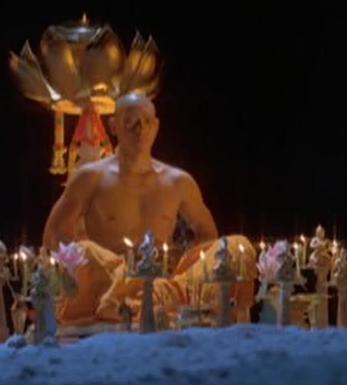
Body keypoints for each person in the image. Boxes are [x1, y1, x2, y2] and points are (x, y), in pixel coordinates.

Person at [42, 92, 256, 327]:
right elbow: (54, 235)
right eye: (130, 121)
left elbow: (208, 237)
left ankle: (151, 300)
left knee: (238, 247)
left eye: (146, 121)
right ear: (113, 126)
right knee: (85, 251)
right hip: (109, 284)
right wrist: (103, 267)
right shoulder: (91, 177)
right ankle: (123, 301)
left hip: (163, 284)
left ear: (156, 127)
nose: (140, 129)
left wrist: (181, 264)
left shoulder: (178, 181)